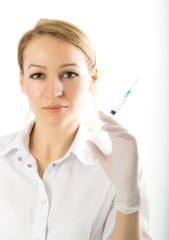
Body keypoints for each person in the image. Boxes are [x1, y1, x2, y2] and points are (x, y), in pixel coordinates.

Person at [0, 19, 152, 240]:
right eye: (38, 75)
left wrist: (128, 201)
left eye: (69, 74)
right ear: (22, 82)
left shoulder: (119, 169)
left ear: (92, 80)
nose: (54, 91)